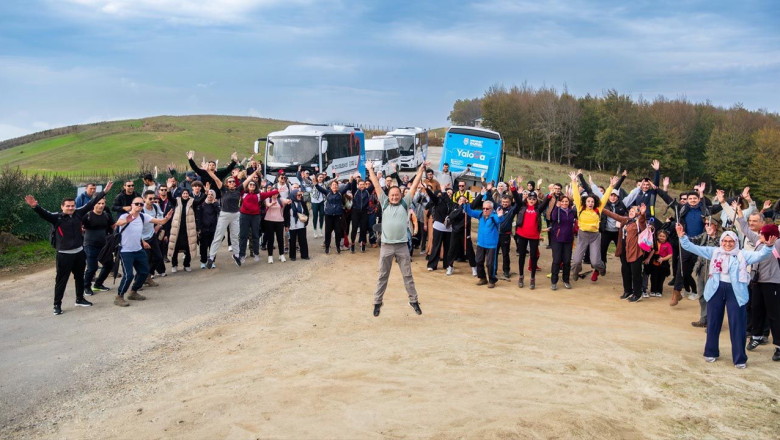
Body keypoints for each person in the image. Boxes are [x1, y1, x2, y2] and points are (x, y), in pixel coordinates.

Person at [676, 223, 777, 368]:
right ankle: (711, 352)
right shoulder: (715, 251)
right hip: (716, 289)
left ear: (736, 242)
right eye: (725, 241)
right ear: (721, 241)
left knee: (737, 325)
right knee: (713, 323)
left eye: (731, 241)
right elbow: (693, 248)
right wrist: (682, 237)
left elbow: (761, 255)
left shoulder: (743, 254)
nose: (727, 244)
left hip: (736, 292)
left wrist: (769, 246)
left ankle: (739, 358)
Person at [25, 181, 113, 315]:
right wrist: (35, 206)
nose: (71, 208)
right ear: (62, 207)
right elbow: (43, 213)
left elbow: (91, 202)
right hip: (64, 255)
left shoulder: (78, 213)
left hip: (79, 252)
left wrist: (104, 192)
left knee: (79, 278)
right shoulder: (56, 218)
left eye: (72, 205)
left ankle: (79, 299)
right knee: (61, 281)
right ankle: (57, 305)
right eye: (68, 206)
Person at [365, 160, 425, 317]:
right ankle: (377, 302)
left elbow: (413, 186)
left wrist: (420, 171)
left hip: (402, 246)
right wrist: (370, 170)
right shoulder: (384, 203)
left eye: (396, 195)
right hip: (386, 246)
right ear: (388, 196)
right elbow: (377, 186)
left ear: (401, 196)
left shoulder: (405, 204)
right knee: (382, 275)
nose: (394, 197)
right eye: (392, 195)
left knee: (407, 275)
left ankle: (413, 301)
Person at [113, 197, 172, 307]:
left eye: (141, 204)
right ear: (132, 204)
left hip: (138, 250)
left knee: (144, 272)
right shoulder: (125, 216)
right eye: (137, 204)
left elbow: (160, 221)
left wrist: (167, 218)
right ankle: (119, 296)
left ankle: (133, 291)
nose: (139, 206)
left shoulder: (142, 216)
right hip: (126, 251)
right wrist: (127, 220)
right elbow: (119, 223)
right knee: (128, 275)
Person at [570, 172, 618, 281]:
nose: (590, 203)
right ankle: (576, 272)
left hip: (595, 236)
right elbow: (576, 195)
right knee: (577, 260)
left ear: (594, 202)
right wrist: (574, 182)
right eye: (588, 201)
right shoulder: (580, 208)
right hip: (582, 235)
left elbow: (605, 198)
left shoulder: (598, 209)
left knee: (595, 261)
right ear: (585, 202)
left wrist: (611, 186)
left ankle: (601, 268)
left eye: (592, 201)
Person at [603, 204, 648, 302]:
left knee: (635, 273)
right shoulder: (626, 220)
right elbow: (613, 215)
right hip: (624, 250)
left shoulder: (639, 222)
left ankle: (637, 293)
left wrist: (643, 214)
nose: (631, 212)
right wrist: (600, 208)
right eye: (631, 210)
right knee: (625, 271)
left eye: (634, 211)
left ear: (638, 213)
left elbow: (643, 221)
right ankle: (628, 291)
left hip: (635, 251)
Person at [513, 183, 553, 290]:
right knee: (521, 256)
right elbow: (516, 197)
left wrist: (550, 194)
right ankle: (521, 276)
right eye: (530, 198)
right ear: (527, 199)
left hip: (534, 236)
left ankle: (532, 278)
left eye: (534, 198)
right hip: (522, 235)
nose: (531, 200)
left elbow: (545, 202)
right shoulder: (522, 206)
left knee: (533, 257)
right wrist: (513, 187)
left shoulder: (538, 209)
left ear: (536, 200)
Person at [237, 174, 279, 264]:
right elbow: (240, 186)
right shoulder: (243, 194)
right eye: (250, 184)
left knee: (255, 235)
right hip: (244, 216)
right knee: (243, 236)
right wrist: (242, 178)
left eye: (253, 185)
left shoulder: (259, 195)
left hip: (255, 217)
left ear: (256, 187)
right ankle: (242, 255)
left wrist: (278, 189)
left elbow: (269, 193)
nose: (252, 186)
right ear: (247, 186)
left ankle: (256, 253)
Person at [464, 194, 502, 288]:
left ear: (491, 209)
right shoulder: (480, 214)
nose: (485, 210)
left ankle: (492, 280)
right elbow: (469, 211)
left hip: (491, 244)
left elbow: (499, 219)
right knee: (478, 261)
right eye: (484, 208)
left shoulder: (494, 216)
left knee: (490, 264)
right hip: (481, 243)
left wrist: (500, 216)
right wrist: (466, 204)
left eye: (487, 209)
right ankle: (482, 278)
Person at [206, 172, 241, 268]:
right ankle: (211, 257)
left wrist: (256, 171)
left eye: (233, 181)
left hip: (235, 215)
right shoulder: (224, 190)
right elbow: (216, 179)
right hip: (224, 215)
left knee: (234, 236)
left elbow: (247, 180)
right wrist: (208, 170)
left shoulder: (238, 190)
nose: (232, 183)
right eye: (230, 181)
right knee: (218, 236)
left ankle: (236, 255)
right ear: (226, 183)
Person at [81, 197, 115, 295]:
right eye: (98, 203)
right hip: (90, 245)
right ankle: (86, 287)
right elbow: (79, 226)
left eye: (103, 203)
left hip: (104, 245)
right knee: (92, 268)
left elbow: (113, 227)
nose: (101, 205)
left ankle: (98, 284)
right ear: (93, 204)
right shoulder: (87, 216)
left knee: (109, 265)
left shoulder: (106, 215)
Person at [167, 188, 203, 273]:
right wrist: (168, 190)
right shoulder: (176, 201)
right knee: (174, 248)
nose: (185, 195)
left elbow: (200, 201)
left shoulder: (192, 202)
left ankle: (186, 265)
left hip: (188, 230)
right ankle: (174, 265)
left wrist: (206, 192)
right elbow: (169, 198)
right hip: (177, 230)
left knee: (188, 247)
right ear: (181, 194)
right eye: (184, 193)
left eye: (187, 193)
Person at [314, 174, 350, 254]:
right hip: (328, 215)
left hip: (338, 215)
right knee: (327, 232)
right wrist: (316, 184)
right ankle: (327, 247)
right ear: (330, 186)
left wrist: (350, 181)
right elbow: (320, 189)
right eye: (333, 185)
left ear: (338, 186)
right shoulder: (328, 192)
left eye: (336, 185)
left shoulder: (340, 193)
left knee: (338, 232)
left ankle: (338, 246)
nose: (334, 186)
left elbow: (347, 187)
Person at [549, 195, 577, 290]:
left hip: (568, 240)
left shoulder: (572, 212)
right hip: (557, 239)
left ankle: (566, 280)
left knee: (567, 261)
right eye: (563, 201)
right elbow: (552, 218)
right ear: (560, 202)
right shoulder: (557, 211)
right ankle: (554, 281)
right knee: (556, 260)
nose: (564, 203)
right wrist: (557, 207)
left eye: (566, 201)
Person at [264, 192, 291, 263]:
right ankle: (270, 256)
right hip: (269, 220)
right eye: (273, 193)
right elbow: (267, 205)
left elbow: (286, 200)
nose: (275, 195)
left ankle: (281, 254)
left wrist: (288, 201)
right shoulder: (268, 199)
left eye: (276, 193)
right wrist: (271, 204)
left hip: (279, 221)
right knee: (270, 239)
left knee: (280, 238)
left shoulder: (280, 199)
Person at [647, 229, 673, 298]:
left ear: (666, 237)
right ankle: (653, 290)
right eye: (660, 236)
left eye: (663, 236)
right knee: (653, 277)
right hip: (654, 262)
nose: (661, 237)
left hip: (663, 264)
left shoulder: (668, 245)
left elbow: (670, 254)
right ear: (657, 236)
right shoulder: (654, 242)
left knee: (661, 278)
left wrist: (663, 259)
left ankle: (659, 291)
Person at [198, 189, 220, 269]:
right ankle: (203, 261)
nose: (210, 196)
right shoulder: (202, 204)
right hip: (204, 229)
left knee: (212, 246)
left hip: (213, 229)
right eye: (209, 194)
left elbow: (220, 212)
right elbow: (199, 217)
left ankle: (212, 261)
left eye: (212, 195)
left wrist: (215, 204)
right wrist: (199, 228)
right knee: (203, 247)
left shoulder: (215, 204)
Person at [288, 189, 310, 261]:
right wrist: (286, 225)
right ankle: (292, 256)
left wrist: (306, 221)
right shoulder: (289, 203)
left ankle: (304, 255)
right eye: (298, 195)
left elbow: (306, 212)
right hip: (292, 224)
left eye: (301, 195)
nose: (300, 196)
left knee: (303, 240)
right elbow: (285, 214)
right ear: (294, 195)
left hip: (301, 224)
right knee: (292, 241)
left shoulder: (302, 203)